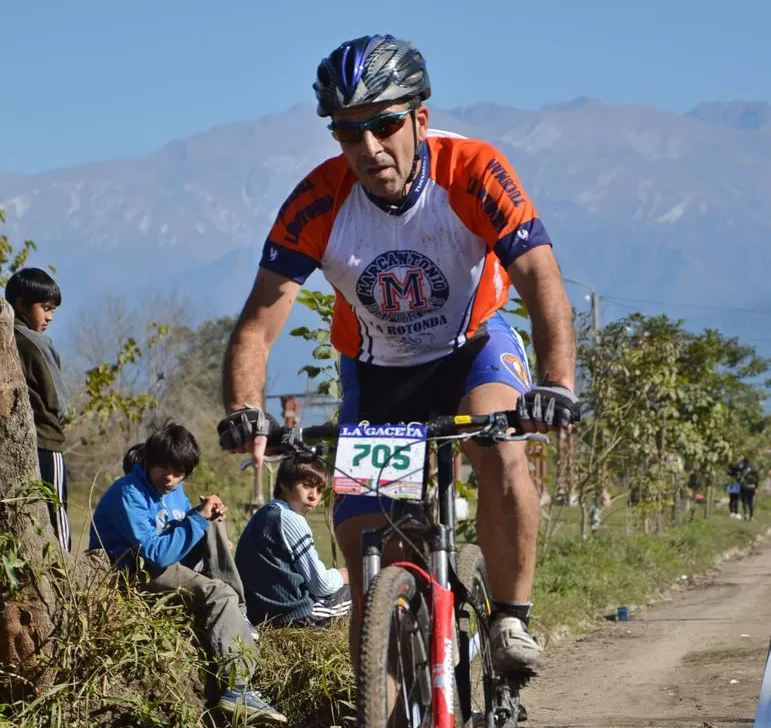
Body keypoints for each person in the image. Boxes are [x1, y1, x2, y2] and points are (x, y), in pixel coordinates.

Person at [220, 34, 578, 679]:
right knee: (368, 561)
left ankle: (510, 620)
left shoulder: (472, 169)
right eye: (348, 133)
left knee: (498, 449)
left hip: (472, 348)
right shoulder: (318, 202)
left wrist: (555, 383)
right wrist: (245, 408)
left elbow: (542, 280)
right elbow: (257, 324)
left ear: (419, 118)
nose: (369, 148)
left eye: (384, 126)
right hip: (379, 375)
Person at [90, 423, 285, 724]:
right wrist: (197, 521)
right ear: (149, 462)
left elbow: (180, 532)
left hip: (163, 565)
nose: (169, 477)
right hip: (132, 573)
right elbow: (156, 554)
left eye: (178, 471)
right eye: (163, 467)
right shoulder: (127, 493)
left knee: (212, 524)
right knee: (218, 592)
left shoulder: (175, 491)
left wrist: (206, 515)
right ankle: (237, 688)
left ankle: (238, 612)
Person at [236, 453, 351, 626]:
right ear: (284, 483)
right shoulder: (290, 518)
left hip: (258, 611)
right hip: (291, 614)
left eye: (319, 490)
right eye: (306, 486)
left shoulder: (266, 512)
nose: (314, 496)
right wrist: (343, 575)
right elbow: (321, 585)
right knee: (360, 591)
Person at [8, 267, 71, 551]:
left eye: (53, 310)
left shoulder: (6, 338)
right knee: (57, 514)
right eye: (45, 308)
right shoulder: (36, 342)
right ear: (21, 303)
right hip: (47, 440)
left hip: (16, 445)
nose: (49, 317)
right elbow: (59, 401)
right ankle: (67, 579)